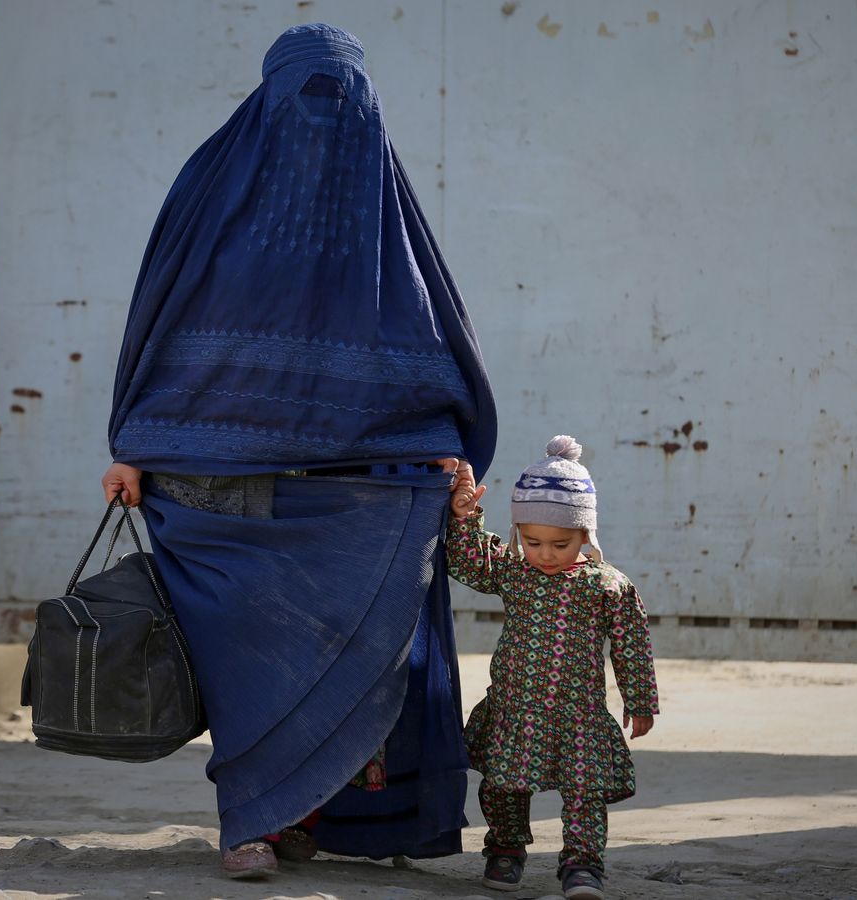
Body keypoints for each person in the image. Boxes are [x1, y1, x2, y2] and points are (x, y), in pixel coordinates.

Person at [99, 23, 498, 879]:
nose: (324, 120)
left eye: (340, 101)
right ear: (269, 94)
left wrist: (441, 449)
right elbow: (157, 316)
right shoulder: (208, 191)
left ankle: (307, 817)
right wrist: (132, 442)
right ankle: (248, 824)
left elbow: (427, 339)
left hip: (350, 488)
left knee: (350, 651)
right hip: (212, 478)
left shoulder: (382, 212)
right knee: (245, 663)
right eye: (305, 97)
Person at [446, 435, 660, 899]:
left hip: (577, 714)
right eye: (532, 540)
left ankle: (582, 865)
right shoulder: (514, 572)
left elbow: (631, 645)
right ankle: (505, 848)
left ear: (586, 534)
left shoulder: (606, 585)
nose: (544, 554)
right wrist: (464, 516)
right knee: (502, 785)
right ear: (518, 532)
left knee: (586, 794)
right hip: (515, 708)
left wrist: (640, 701)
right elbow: (467, 562)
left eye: (560, 543)